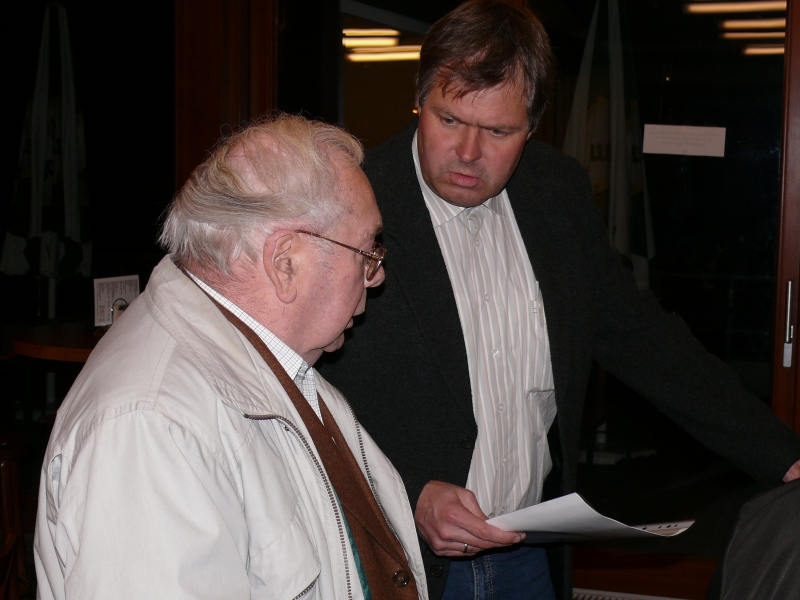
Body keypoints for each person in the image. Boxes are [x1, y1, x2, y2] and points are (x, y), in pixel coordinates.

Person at [317, 1, 800, 599]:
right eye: (448, 119)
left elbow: (641, 338)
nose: (468, 152)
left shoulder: (556, 193)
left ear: (534, 124)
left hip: (529, 552)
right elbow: (303, 387)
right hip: (399, 558)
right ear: (420, 99)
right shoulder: (354, 199)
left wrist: (782, 456)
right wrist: (410, 490)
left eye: (499, 131)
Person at [34, 115, 428, 600]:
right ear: (285, 262)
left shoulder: (272, 358)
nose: (376, 276)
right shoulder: (151, 425)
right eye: (366, 252)